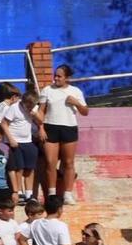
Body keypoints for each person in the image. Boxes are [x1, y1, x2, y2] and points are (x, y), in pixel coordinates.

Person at [30, 64, 89, 204]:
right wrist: (41, 128)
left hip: (69, 128)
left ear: (67, 78)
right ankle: (51, 193)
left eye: (59, 76)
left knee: (68, 162)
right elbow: (41, 112)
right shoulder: (47, 90)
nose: (56, 78)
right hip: (50, 128)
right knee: (50, 163)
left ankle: (67, 194)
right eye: (55, 75)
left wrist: (76, 103)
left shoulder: (76, 91)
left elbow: (85, 112)